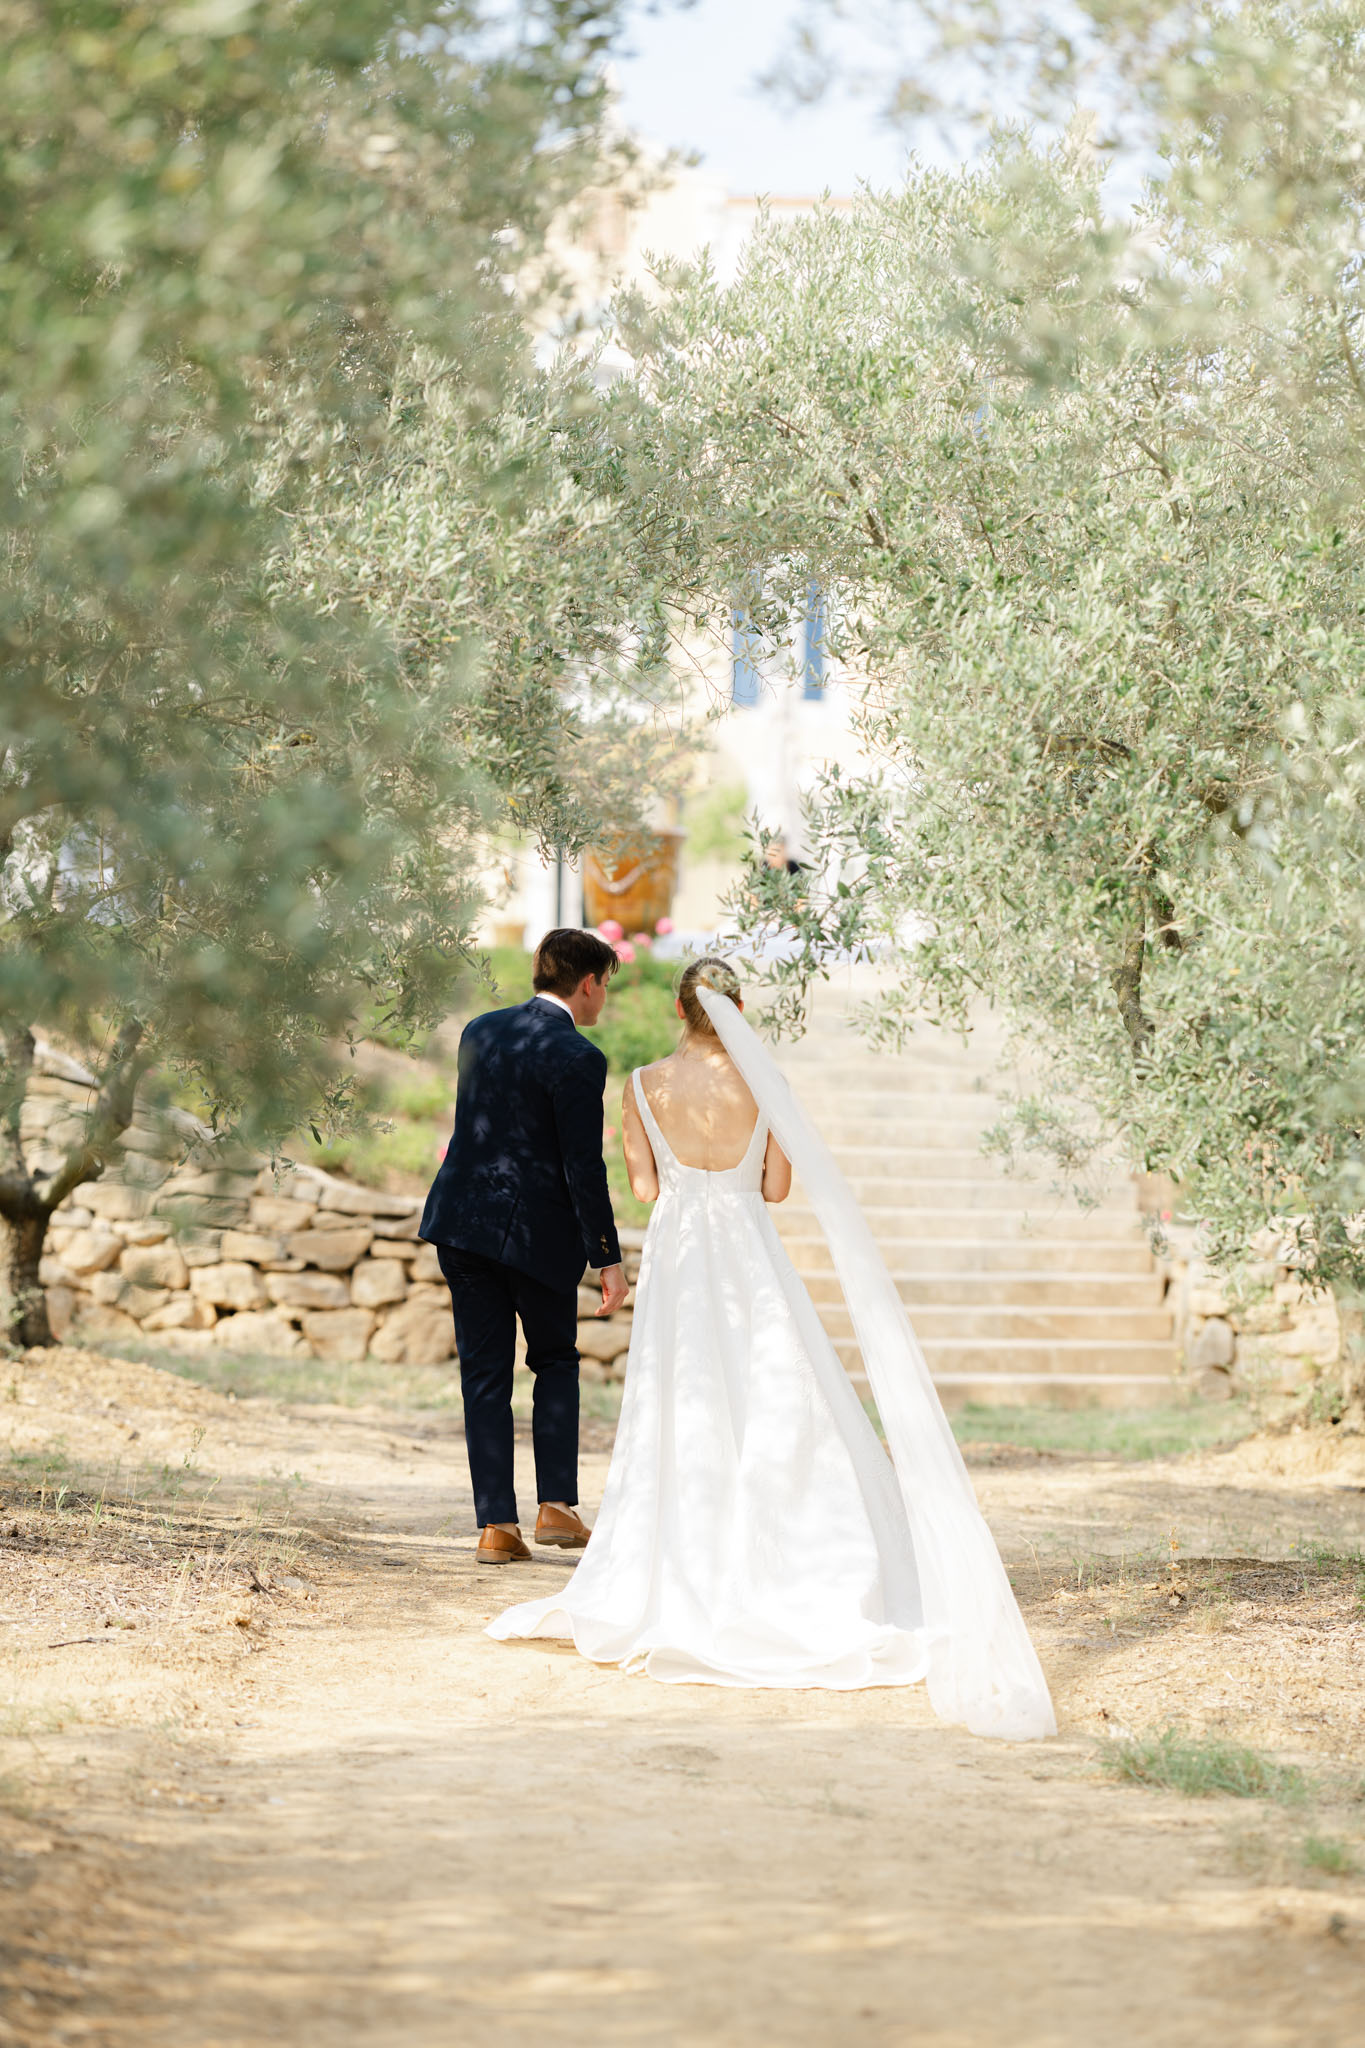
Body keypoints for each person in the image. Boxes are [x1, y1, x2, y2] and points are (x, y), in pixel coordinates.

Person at [486, 956, 1057, 1741]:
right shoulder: (765, 1083)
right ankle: (799, 1561)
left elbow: (646, 1189)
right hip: (748, 1255)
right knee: (779, 1398)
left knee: (682, 1406)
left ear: (676, 1008)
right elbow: (777, 1189)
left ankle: (683, 1562)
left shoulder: (643, 1084)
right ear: (735, 1006)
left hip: (685, 1259)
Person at [420, 928, 627, 1565]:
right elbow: (582, 1169)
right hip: (536, 1235)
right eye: (604, 988)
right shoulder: (579, 1057)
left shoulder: (479, 1031)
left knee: (484, 1375)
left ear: (541, 969)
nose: (601, 1002)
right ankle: (556, 1508)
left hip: (461, 1222)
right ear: (588, 983)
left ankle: (496, 1528)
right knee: (555, 1363)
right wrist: (607, 1257)